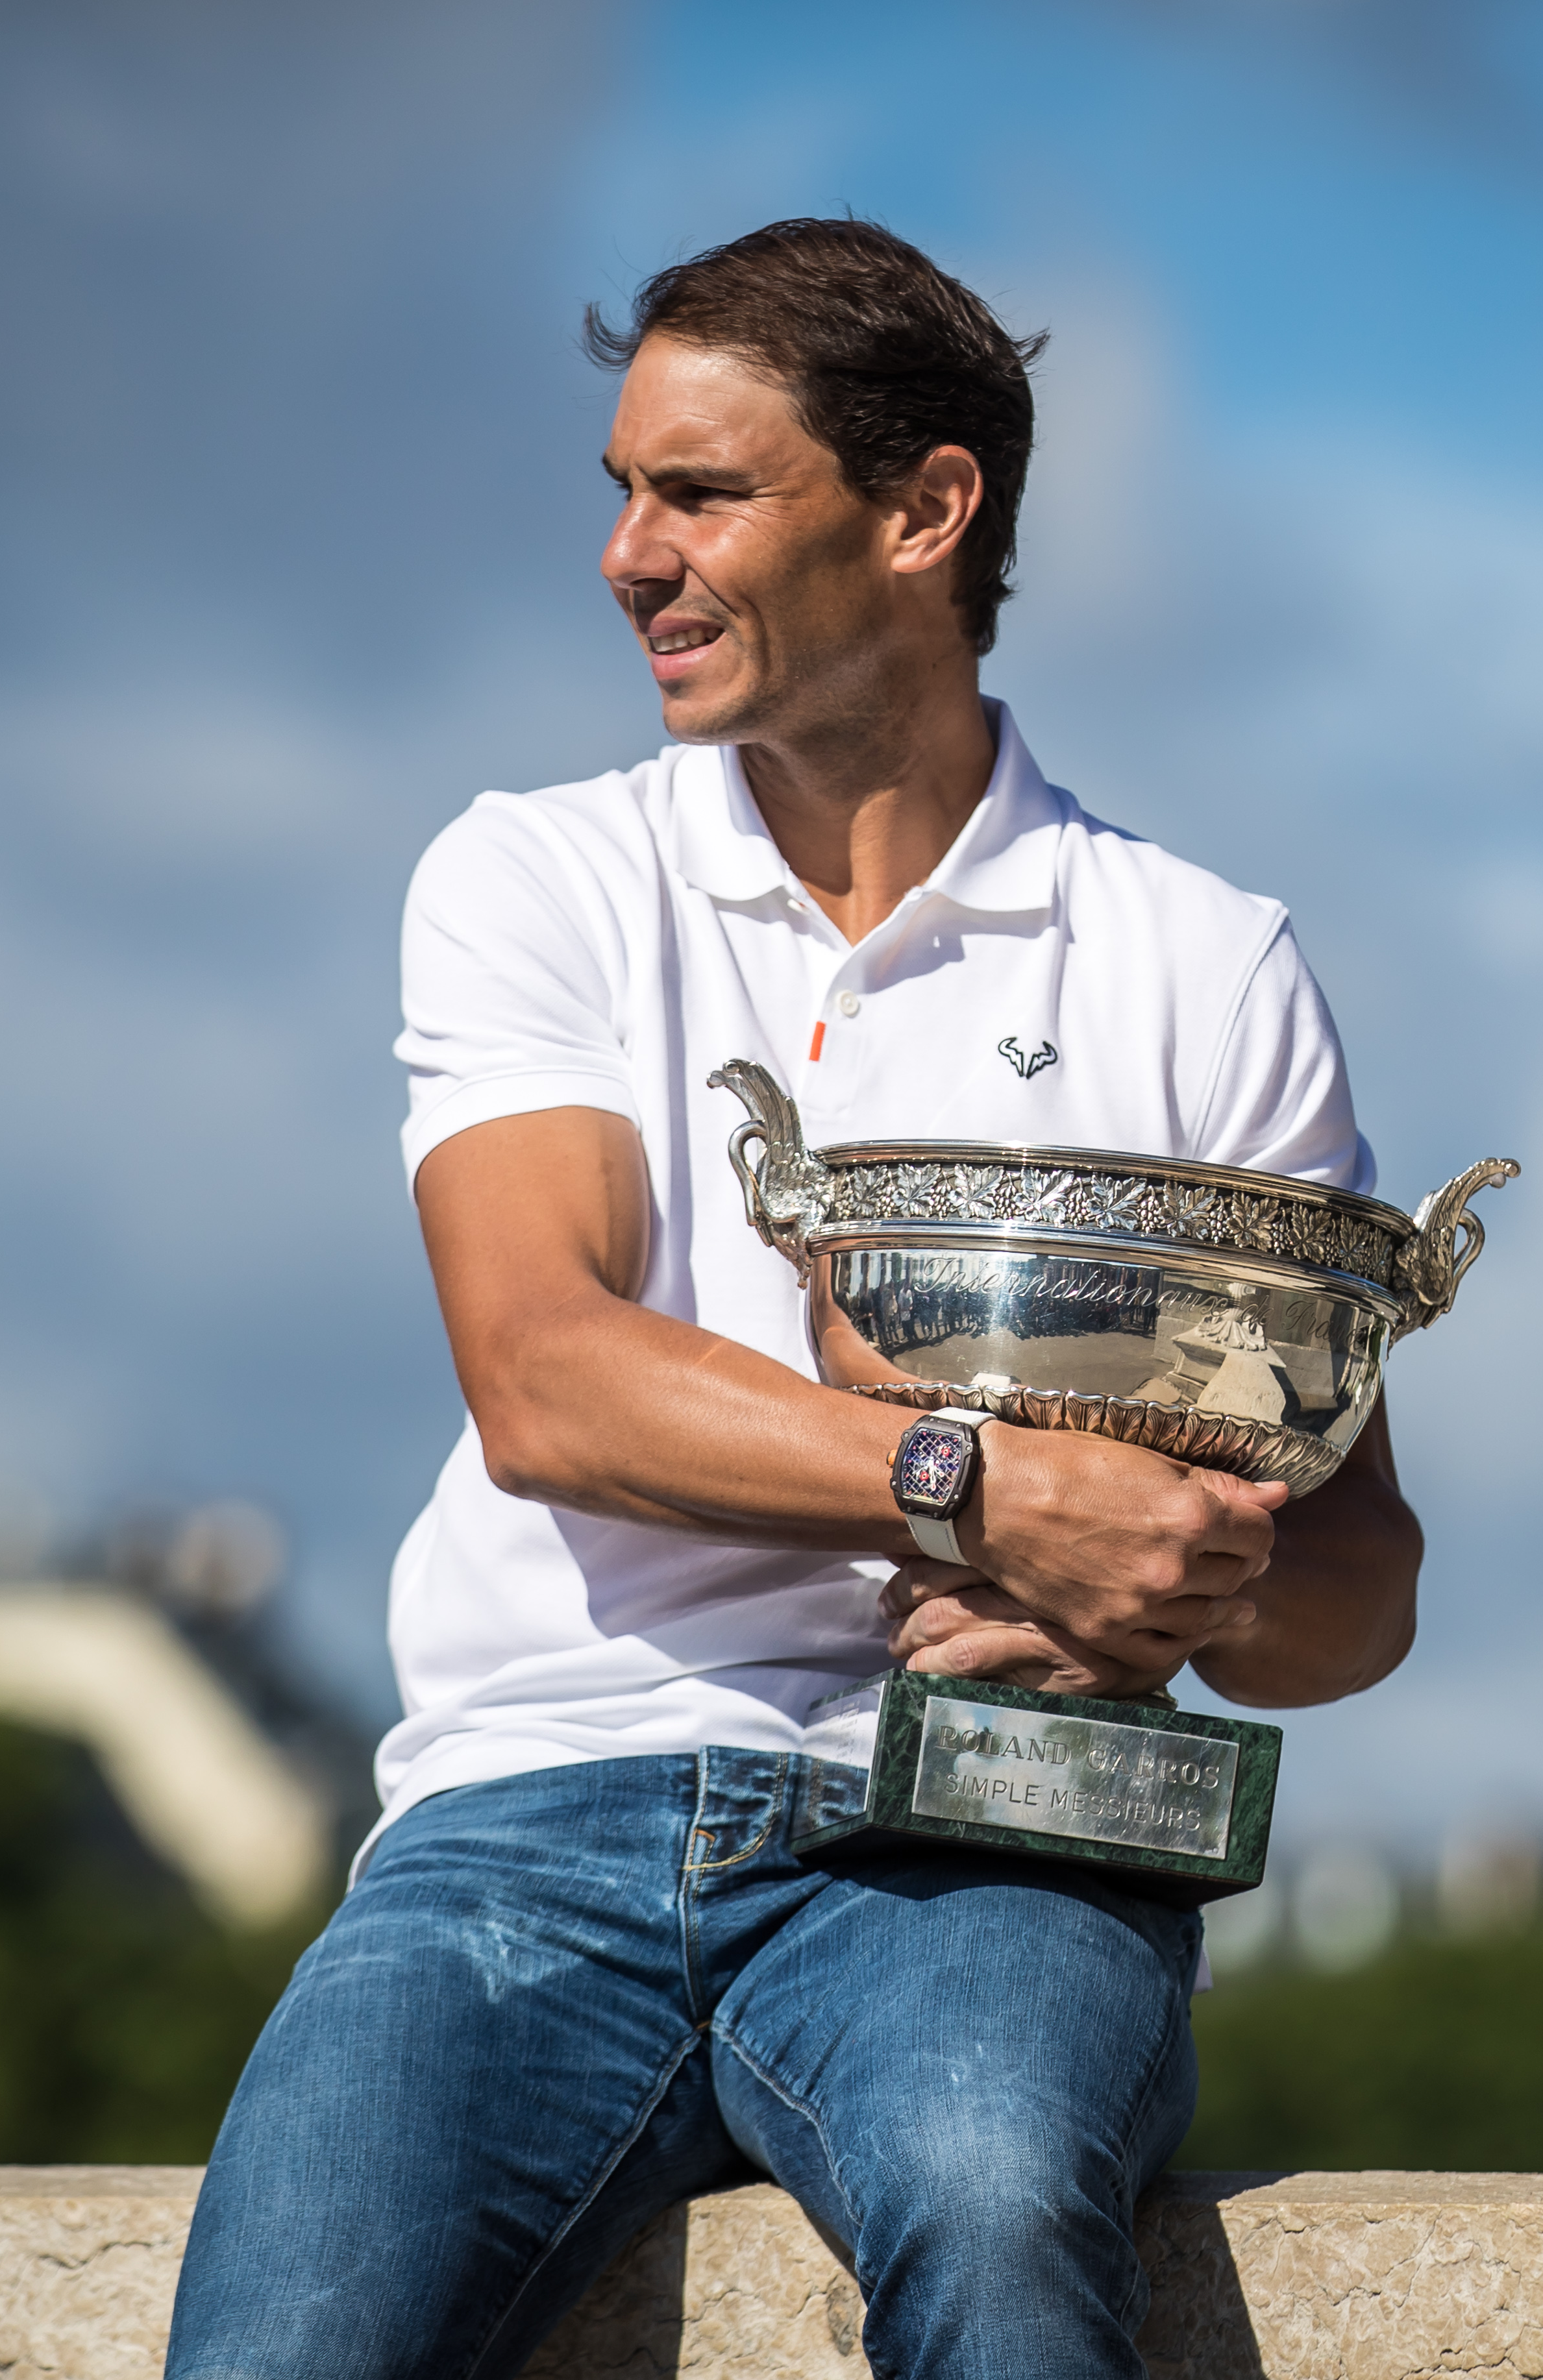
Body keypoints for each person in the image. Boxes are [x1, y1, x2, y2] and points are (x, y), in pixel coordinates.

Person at [164, 217, 1424, 2380]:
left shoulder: (1202, 962)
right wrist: (987, 1493)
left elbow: (1356, 1578)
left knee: (1001, 2217)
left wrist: (1180, 1583)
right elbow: (548, 1380)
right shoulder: (533, 873)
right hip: (522, 1822)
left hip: (993, 1837)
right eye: (621, 491)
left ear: (927, 512)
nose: (627, 555)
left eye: (702, 493)